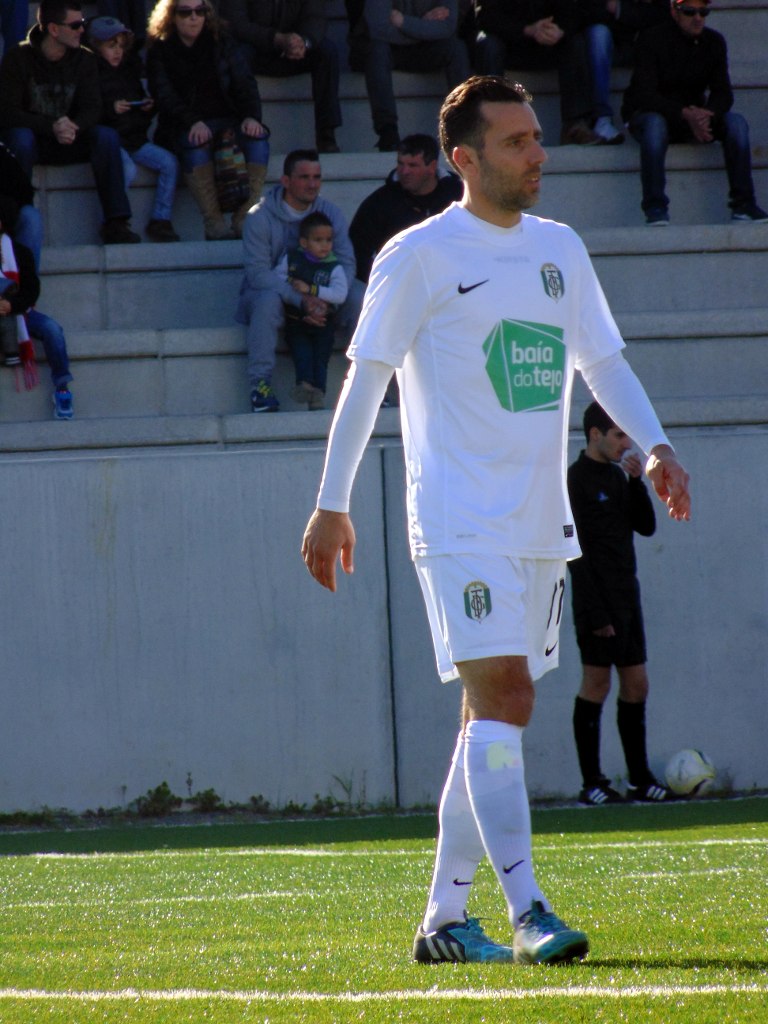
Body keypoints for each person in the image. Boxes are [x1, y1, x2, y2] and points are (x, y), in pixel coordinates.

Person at [301, 75, 691, 965]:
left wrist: (657, 446)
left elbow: (602, 361)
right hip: (459, 518)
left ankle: (443, 921)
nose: (538, 154)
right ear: (464, 159)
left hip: (539, 522)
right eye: (516, 142)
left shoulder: (560, 247)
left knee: (493, 714)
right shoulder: (419, 254)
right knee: (506, 697)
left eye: (537, 137)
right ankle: (528, 912)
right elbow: (366, 379)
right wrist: (331, 503)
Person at [568, 402, 672, 805]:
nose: (626, 444)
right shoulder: (574, 480)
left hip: (627, 597)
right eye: (618, 435)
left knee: (637, 683)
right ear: (595, 434)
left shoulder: (618, 477)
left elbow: (646, 527)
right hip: (596, 603)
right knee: (597, 683)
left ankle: (639, 779)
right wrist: (595, 613)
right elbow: (574, 553)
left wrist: (635, 483)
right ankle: (592, 782)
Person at [0, 0, 141, 244]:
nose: (82, 30)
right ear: (54, 29)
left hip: (71, 137)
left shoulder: (85, 59)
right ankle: (19, 214)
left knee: (106, 137)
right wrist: (51, 127)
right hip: (36, 139)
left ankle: (116, 223)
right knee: (20, 138)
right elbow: (8, 112)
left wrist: (73, 126)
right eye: (75, 25)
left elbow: (93, 108)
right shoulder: (17, 58)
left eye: (82, 23)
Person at [622, 0, 768, 225]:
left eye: (703, 11)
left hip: (693, 115)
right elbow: (645, 95)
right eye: (690, 12)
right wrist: (685, 114)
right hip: (656, 113)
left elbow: (723, 93)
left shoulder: (713, 42)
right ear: (674, 11)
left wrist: (706, 115)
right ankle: (655, 208)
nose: (698, 18)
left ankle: (743, 205)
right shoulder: (652, 39)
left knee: (736, 124)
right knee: (654, 126)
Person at [236, 149, 359, 412]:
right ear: (286, 181)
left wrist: (326, 302)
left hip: (322, 294)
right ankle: (260, 387)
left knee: (361, 296)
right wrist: (302, 301)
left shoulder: (330, 213)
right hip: (274, 292)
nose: (312, 184)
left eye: (317, 177)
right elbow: (258, 274)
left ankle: (367, 385)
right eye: (304, 177)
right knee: (266, 301)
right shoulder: (259, 217)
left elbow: (347, 263)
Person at [146, 0, 270, 240]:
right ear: (172, 16)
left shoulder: (222, 42)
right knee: (196, 142)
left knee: (258, 140)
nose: (194, 17)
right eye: (185, 12)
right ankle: (214, 221)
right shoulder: (160, 50)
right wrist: (192, 121)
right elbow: (164, 96)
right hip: (182, 125)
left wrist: (251, 117)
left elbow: (245, 84)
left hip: (229, 121)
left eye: (199, 11)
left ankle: (244, 217)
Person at [89, 15, 181, 243]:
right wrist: (111, 109)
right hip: (112, 142)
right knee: (126, 169)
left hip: (135, 139)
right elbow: (86, 113)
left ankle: (160, 219)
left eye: (121, 46)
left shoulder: (129, 70)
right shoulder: (90, 72)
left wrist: (147, 107)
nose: (117, 51)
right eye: (111, 46)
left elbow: (139, 108)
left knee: (169, 163)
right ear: (96, 46)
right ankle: (112, 222)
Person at [221, 0, 342, 154]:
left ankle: (326, 134)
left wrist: (304, 42)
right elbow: (237, 24)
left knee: (327, 52)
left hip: (294, 53)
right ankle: (240, 129)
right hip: (257, 49)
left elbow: (315, 18)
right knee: (237, 55)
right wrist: (276, 39)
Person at [473, 0, 601, 145]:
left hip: (549, 44)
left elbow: (576, 10)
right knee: (488, 44)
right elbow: (485, 16)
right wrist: (527, 30)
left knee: (575, 42)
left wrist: (561, 30)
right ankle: (492, 124)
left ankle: (575, 126)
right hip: (510, 44)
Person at [352, 0, 471, 152]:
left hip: (423, 48)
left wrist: (404, 22)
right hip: (390, 49)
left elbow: (447, 27)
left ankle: (463, 128)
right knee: (376, 51)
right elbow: (379, 29)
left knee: (456, 49)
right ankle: (387, 131)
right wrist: (424, 26)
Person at [349, 133, 463, 285]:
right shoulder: (380, 203)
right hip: (399, 284)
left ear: (432, 166)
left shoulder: (460, 196)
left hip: (455, 282)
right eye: (400, 164)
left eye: (412, 165)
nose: (404, 171)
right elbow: (357, 252)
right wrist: (386, 280)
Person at [0, 196, 74, 417]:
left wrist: (11, 305)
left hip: (20, 313)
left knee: (53, 329)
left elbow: (32, 290)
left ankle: (62, 389)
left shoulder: (20, 252)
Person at [276, 211, 349, 409]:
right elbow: (277, 277)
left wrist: (312, 290)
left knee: (320, 356)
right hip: (296, 318)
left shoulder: (334, 267)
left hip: (324, 322)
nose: (324, 245)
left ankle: (318, 394)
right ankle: (304, 384)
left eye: (328, 240)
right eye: (318, 240)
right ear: (304, 242)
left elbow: (340, 294)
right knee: (301, 351)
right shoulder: (292, 259)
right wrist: (292, 284)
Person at [577, 0, 668, 143]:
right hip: (603, 39)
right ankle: (602, 118)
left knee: (658, 38)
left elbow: (661, 14)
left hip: (638, 40)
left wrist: (620, 9)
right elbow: (585, 11)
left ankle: (661, 115)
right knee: (598, 34)